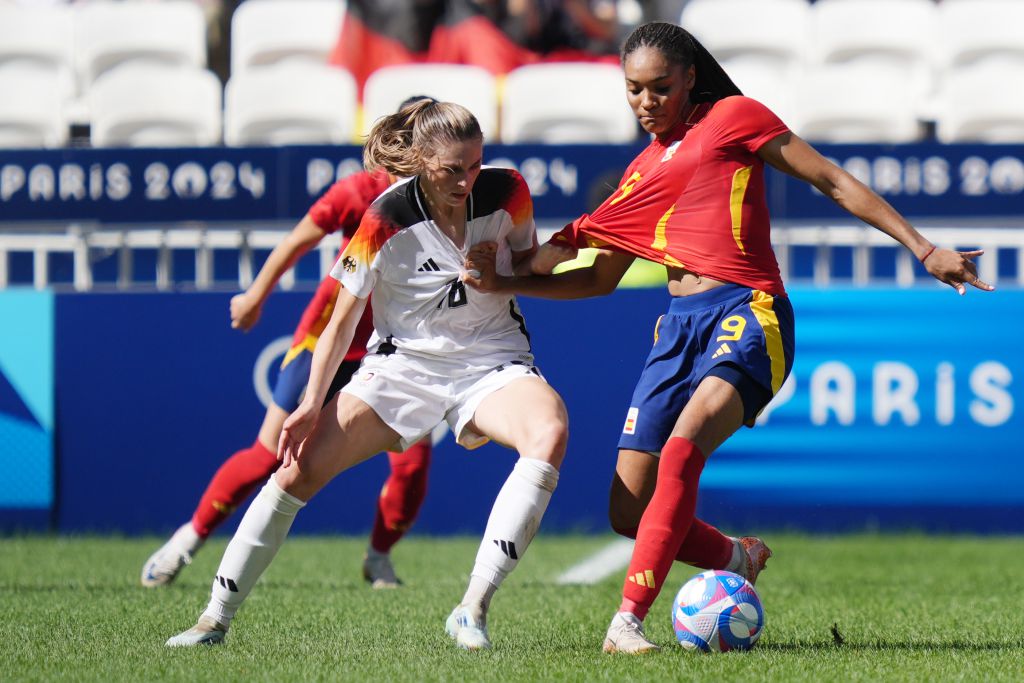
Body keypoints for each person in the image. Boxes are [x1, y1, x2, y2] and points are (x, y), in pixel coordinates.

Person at [464, 21, 994, 654]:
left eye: (661, 87)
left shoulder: (734, 118)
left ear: (690, 77)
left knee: (683, 449)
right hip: (676, 330)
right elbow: (601, 279)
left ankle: (626, 622)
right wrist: (508, 283)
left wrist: (923, 248)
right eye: (634, 89)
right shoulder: (639, 174)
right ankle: (735, 557)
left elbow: (830, 179)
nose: (646, 102)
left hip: (749, 310)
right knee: (627, 511)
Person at [165, 99, 569, 651]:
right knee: (294, 473)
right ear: (421, 161)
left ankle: (472, 608)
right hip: (402, 367)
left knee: (549, 430)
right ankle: (212, 620)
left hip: (490, 358)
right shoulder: (382, 219)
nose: (466, 180)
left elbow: (526, 264)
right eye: (452, 169)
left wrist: (542, 259)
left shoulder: (508, 190)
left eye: (475, 165)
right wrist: (311, 403)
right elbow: (340, 323)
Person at [141, 97, 437, 592]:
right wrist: (255, 295)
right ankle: (186, 540)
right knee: (268, 454)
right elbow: (297, 240)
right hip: (326, 340)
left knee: (412, 466)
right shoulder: (358, 192)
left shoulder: (448, 203)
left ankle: (378, 558)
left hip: (394, 348)